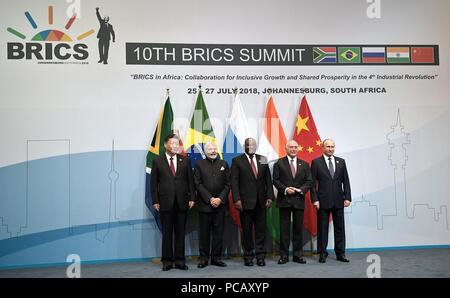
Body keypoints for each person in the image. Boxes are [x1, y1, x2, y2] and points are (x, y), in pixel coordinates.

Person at [150, 133, 195, 271]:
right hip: (165, 202)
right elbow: (153, 183)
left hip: (182, 202)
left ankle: (180, 260)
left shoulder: (185, 160)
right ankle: (167, 261)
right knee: (167, 233)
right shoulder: (157, 161)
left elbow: (190, 181)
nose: (175, 146)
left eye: (177, 144)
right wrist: (155, 200)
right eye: (172, 143)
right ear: (165, 145)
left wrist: (192, 197)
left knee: (180, 233)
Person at [231, 137, 274, 266]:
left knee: (261, 230)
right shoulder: (237, 160)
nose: (251, 147)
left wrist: (270, 197)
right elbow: (234, 182)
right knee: (247, 231)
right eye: (249, 145)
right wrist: (237, 199)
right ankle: (248, 256)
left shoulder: (262, 159)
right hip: (245, 202)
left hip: (261, 202)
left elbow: (268, 180)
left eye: (254, 145)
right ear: (244, 146)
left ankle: (260, 256)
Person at [311, 139, 351, 263]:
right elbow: (312, 184)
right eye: (328, 146)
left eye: (332, 146)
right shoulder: (316, 162)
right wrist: (315, 199)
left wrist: (348, 197)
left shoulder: (341, 162)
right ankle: (322, 254)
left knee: (340, 229)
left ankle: (340, 254)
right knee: (322, 229)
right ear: (322, 147)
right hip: (322, 202)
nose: (330, 149)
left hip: (339, 200)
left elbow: (346, 181)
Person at [273, 140, 313, 264]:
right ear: (286, 148)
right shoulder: (279, 163)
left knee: (298, 229)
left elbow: (309, 181)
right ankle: (283, 256)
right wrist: (285, 189)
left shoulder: (305, 164)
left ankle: (298, 255)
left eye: (295, 147)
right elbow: (275, 180)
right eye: (291, 147)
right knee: (284, 230)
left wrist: (300, 190)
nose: (293, 149)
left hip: (298, 200)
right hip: (284, 200)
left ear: (298, 149)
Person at [194, 142, 231, 268]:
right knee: (204, 234)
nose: (213, 151)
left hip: (220, 206)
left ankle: (216, 258)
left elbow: (228, 184)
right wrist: (210, 198)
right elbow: (197, 184)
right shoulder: (199, 165)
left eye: (215, 148)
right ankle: (203, 259)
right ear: (205, 151)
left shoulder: (224, 164)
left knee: (218, 233)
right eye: (210, 149)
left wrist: (220, 199)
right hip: (205, 205)